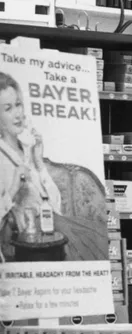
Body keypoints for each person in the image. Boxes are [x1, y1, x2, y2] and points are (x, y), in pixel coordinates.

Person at [0, 72, 106, 262]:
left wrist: (39, 164)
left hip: (53, 228)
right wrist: (15, 186)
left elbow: (55, 206)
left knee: (100, 239)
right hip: (28, 241)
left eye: (18, 104)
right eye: (8, 108)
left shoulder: (27, 151)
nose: (17, 114)